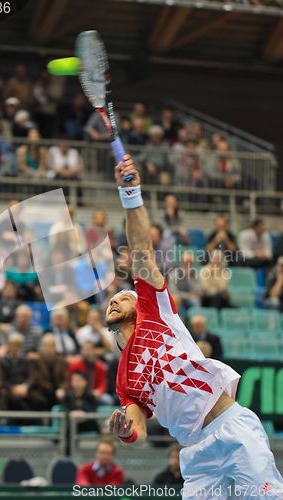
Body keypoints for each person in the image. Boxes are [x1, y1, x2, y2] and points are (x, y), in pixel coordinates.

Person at [107, 154, 283, 498]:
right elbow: (138, 430)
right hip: (196, 454)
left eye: (122, 296)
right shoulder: (125, 379)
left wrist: (131, 195)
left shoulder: (156, 313)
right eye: (111, 300)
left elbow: (141, 251)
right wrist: (126, 432)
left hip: (231, 429)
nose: (114, 300)